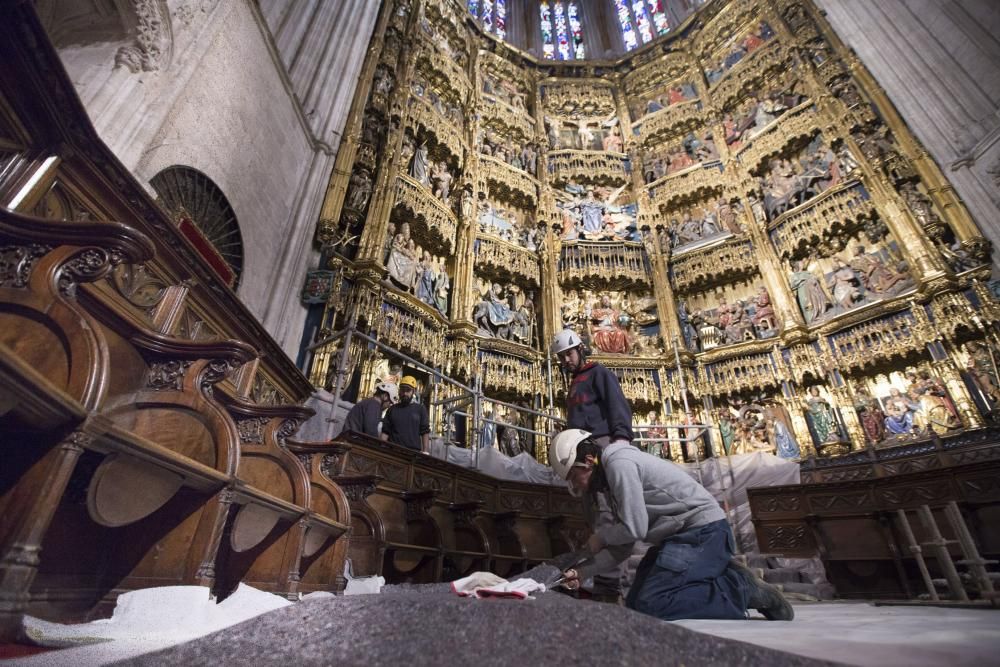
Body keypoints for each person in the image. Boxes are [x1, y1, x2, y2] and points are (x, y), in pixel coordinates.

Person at [549, 429, 793, 622]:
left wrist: (601, 537)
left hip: (703, 532)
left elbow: (635, 529)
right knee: (636, 603)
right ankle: (723, 572)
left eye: (573, 476)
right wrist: (582, 572)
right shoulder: (610, 482)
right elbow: (624, 546)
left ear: (589, 460)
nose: (577, 486)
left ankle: (742, 590)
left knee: (652, 603)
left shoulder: (618, 464)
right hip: (682, 539)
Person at [551, 329, 632, 448]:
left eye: (569, 354)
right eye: (562, 357)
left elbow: (617, 404)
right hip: (580, 443)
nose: (566, 360)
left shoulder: (598, 372)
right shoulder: (575, 381)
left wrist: (622, 437)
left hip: (602, 440)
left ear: (580, 349)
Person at [381, 375, 430, 453]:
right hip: (392, 451)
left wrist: (425, 452)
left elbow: (425, 431)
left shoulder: (420, 409)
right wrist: (381, 448)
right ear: (399, 391)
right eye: (402, 390)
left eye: (408, 390)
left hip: (412, 453)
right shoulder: (392, 409)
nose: (404, 393)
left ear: (413, 391)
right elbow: (385, 431)